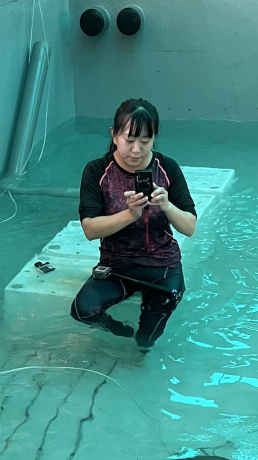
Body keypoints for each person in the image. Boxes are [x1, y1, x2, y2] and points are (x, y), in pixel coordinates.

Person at [70, 98, 197, 352]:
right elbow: (89, 229)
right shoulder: (97, 171)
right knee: (81, 311)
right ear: (114, 135)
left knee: (149, 334)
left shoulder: (168, 167)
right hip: (117, 264)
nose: (137, 150)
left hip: (163, 264)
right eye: (129, 140)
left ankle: (140, 349)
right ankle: (120, 332)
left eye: (145, 141)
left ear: (154, 139)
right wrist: (129, 215)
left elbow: (189, 227)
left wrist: (167, 205)